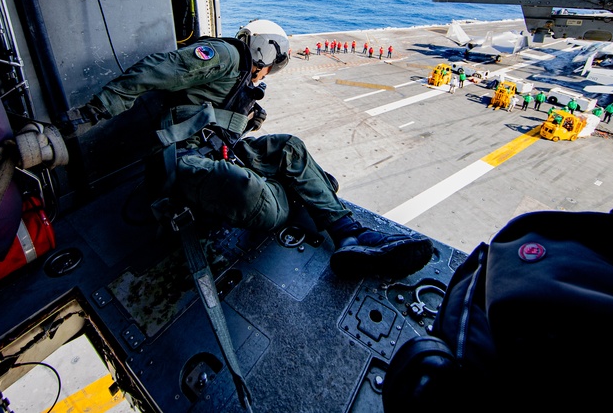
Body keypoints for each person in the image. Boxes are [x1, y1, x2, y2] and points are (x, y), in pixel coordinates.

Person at [81, 19, 432, 279]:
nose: (266, 74)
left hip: (215, 153)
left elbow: (220, 126)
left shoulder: (237, 81)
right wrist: (95, 110)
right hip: (183, 162)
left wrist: (246, 119)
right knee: (264, 204)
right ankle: (305, 190)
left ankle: (350, 235)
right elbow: (162, 69)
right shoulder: (227, 55)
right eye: (271, 64)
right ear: (265, 49)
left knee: (289, 149)